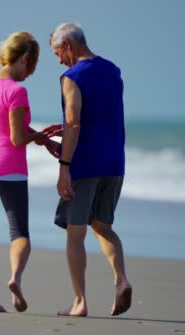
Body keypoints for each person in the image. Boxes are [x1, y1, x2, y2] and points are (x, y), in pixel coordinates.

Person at [42, 22, 132, 317]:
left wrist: (64, 166)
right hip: (114, 161)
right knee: (103, 226)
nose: (58, 60)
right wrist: (65, 134)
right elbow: (101, 115)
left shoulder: (72, 76)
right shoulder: (113, 70)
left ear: (68, 45)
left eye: (58, 53)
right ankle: (121, 280)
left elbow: (75, 121)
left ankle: (79, 302)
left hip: (86, 162)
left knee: (75, 233)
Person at [0, 31, 55, 313]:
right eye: (32, 66)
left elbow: (1, 127)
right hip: (8, 169)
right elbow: (16, 139)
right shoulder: (17, 91)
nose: (30, 73)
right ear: (25, 58)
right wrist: (35, 138)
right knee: (19, 234)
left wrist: (37, 136)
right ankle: (14, 278)